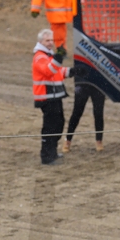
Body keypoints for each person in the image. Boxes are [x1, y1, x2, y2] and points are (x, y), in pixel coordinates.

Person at [32, 28, 72, 165]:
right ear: (41, 42)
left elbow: (57, 72)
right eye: (47, 40)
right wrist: (59, 58)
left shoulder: (48, 55)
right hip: (46, 97)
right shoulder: (40, 56)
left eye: (51, 40)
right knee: (50, 127)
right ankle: (46, 156)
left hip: (54, 96)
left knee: (58, 124)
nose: (50, 43)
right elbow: (49, 71)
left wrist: (72, 72)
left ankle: (52, 152)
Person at [63, 83, 106, 153]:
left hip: (99, 83)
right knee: (77, 113)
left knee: (98, 113)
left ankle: (99, 140)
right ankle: (68, 140)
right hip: (82, 82)